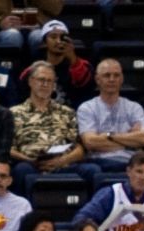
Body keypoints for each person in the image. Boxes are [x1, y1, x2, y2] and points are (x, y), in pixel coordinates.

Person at [8, 63, 95, 192]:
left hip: (63, 165)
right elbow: (8, 149)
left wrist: (61, 161)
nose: (45, 84)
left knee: (92, 170)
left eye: (50, 81)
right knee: (21, 169)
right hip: (31, 165)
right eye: (41, 80)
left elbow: (80, 148)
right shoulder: (13, 113)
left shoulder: (67, 112)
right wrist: (29, 160)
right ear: (31, 81)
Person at [75, 58, 144, 174]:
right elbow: (90, 142)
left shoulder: (134, 107)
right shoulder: (86, 108)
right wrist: (130, 141)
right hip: (101, 160)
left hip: (132, 161)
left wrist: (109, 135)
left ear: (122, 79)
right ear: (97, 79)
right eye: (107, 75)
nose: (112, 79)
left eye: (116, 75)